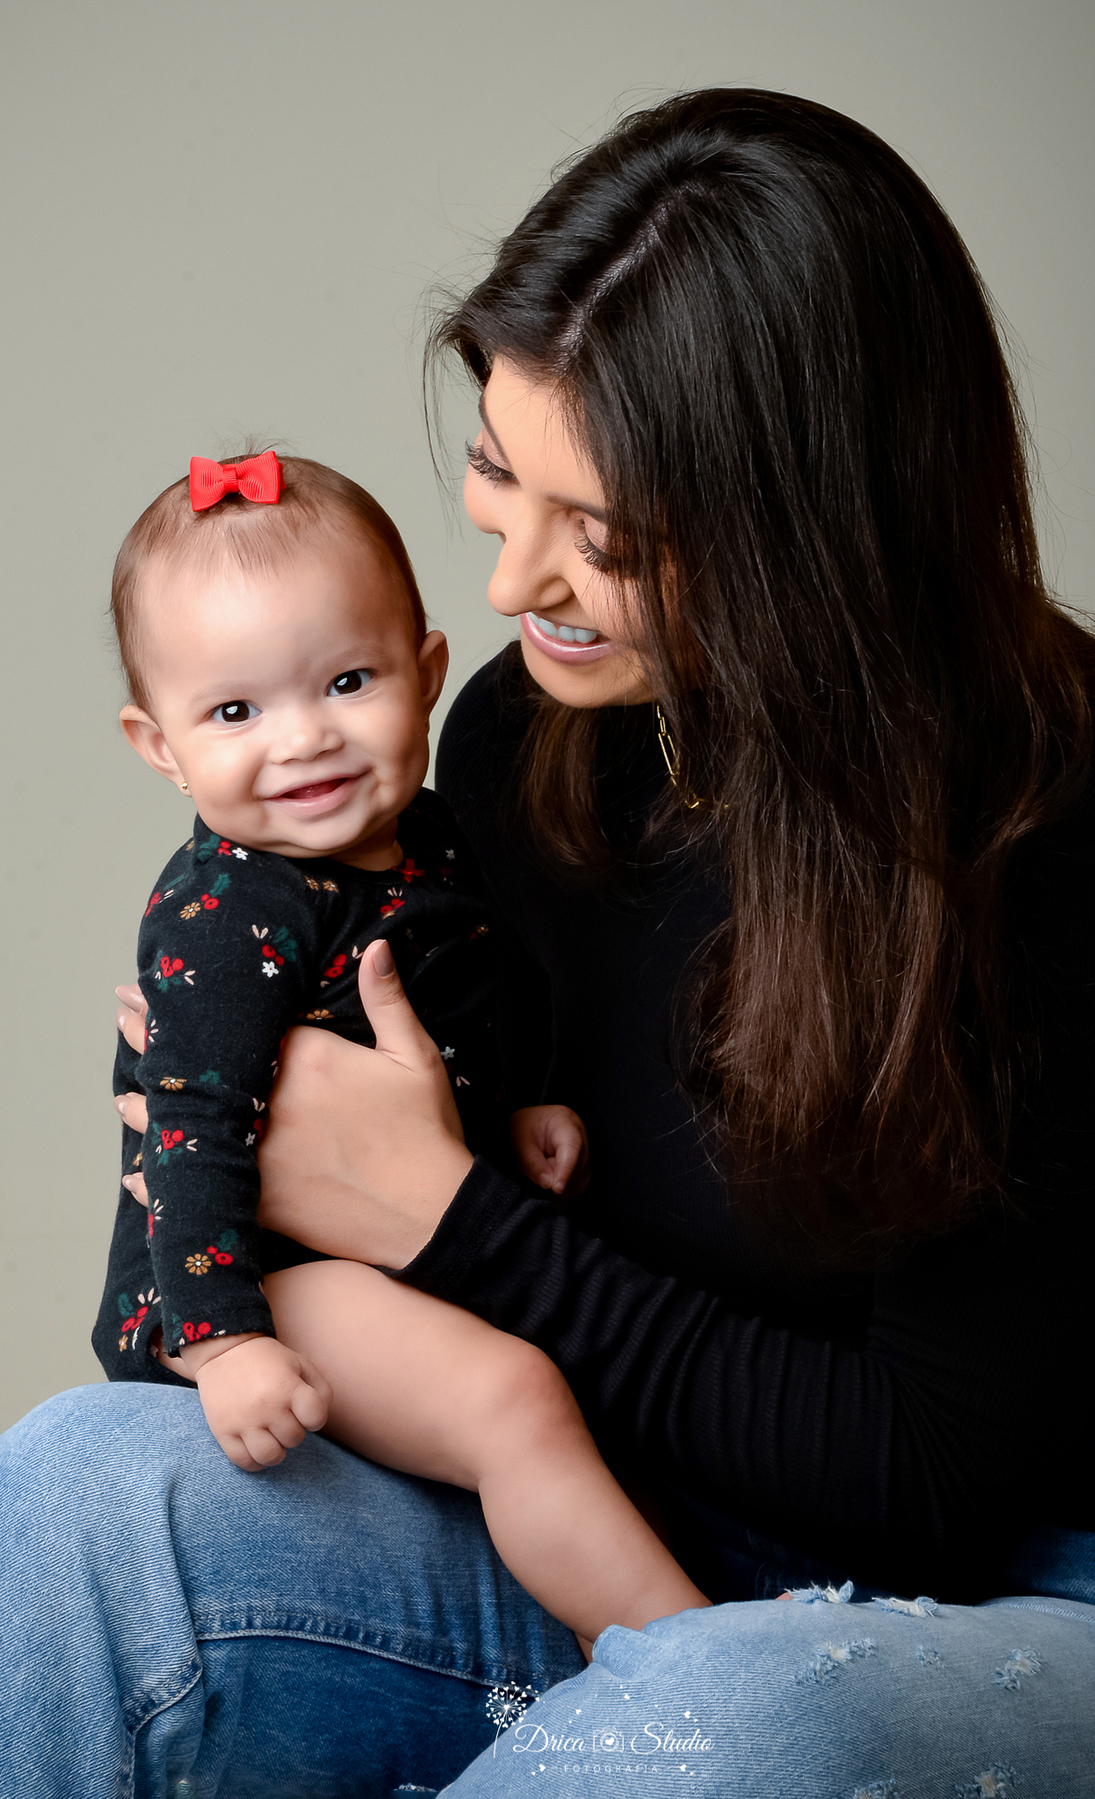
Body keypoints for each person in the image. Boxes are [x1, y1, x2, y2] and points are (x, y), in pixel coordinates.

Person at [1, 87, 1095, 1798]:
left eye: (608, 538)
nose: (514, 585)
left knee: (726, 1728)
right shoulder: (524, 733)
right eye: (499, 470)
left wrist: (452, 1217)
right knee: (73, 1489)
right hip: (622, 1527)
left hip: (1056, 1590)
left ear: (814, 536)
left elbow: (938, 1477)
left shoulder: (1066, 825)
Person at [93, 446, 706, 1652]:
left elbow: (465, 1000)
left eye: (348, 680)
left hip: (379, 1243)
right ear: (159, 744)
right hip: (254, 1279)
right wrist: (224, 1341)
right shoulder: (232, 911)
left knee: (554, 1382)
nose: (303, 740)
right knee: (511, 1399)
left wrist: (515, 1110)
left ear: (426, 674)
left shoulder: (429, 831)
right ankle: (689, 1654)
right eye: (234, 711)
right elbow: (191, 1131)